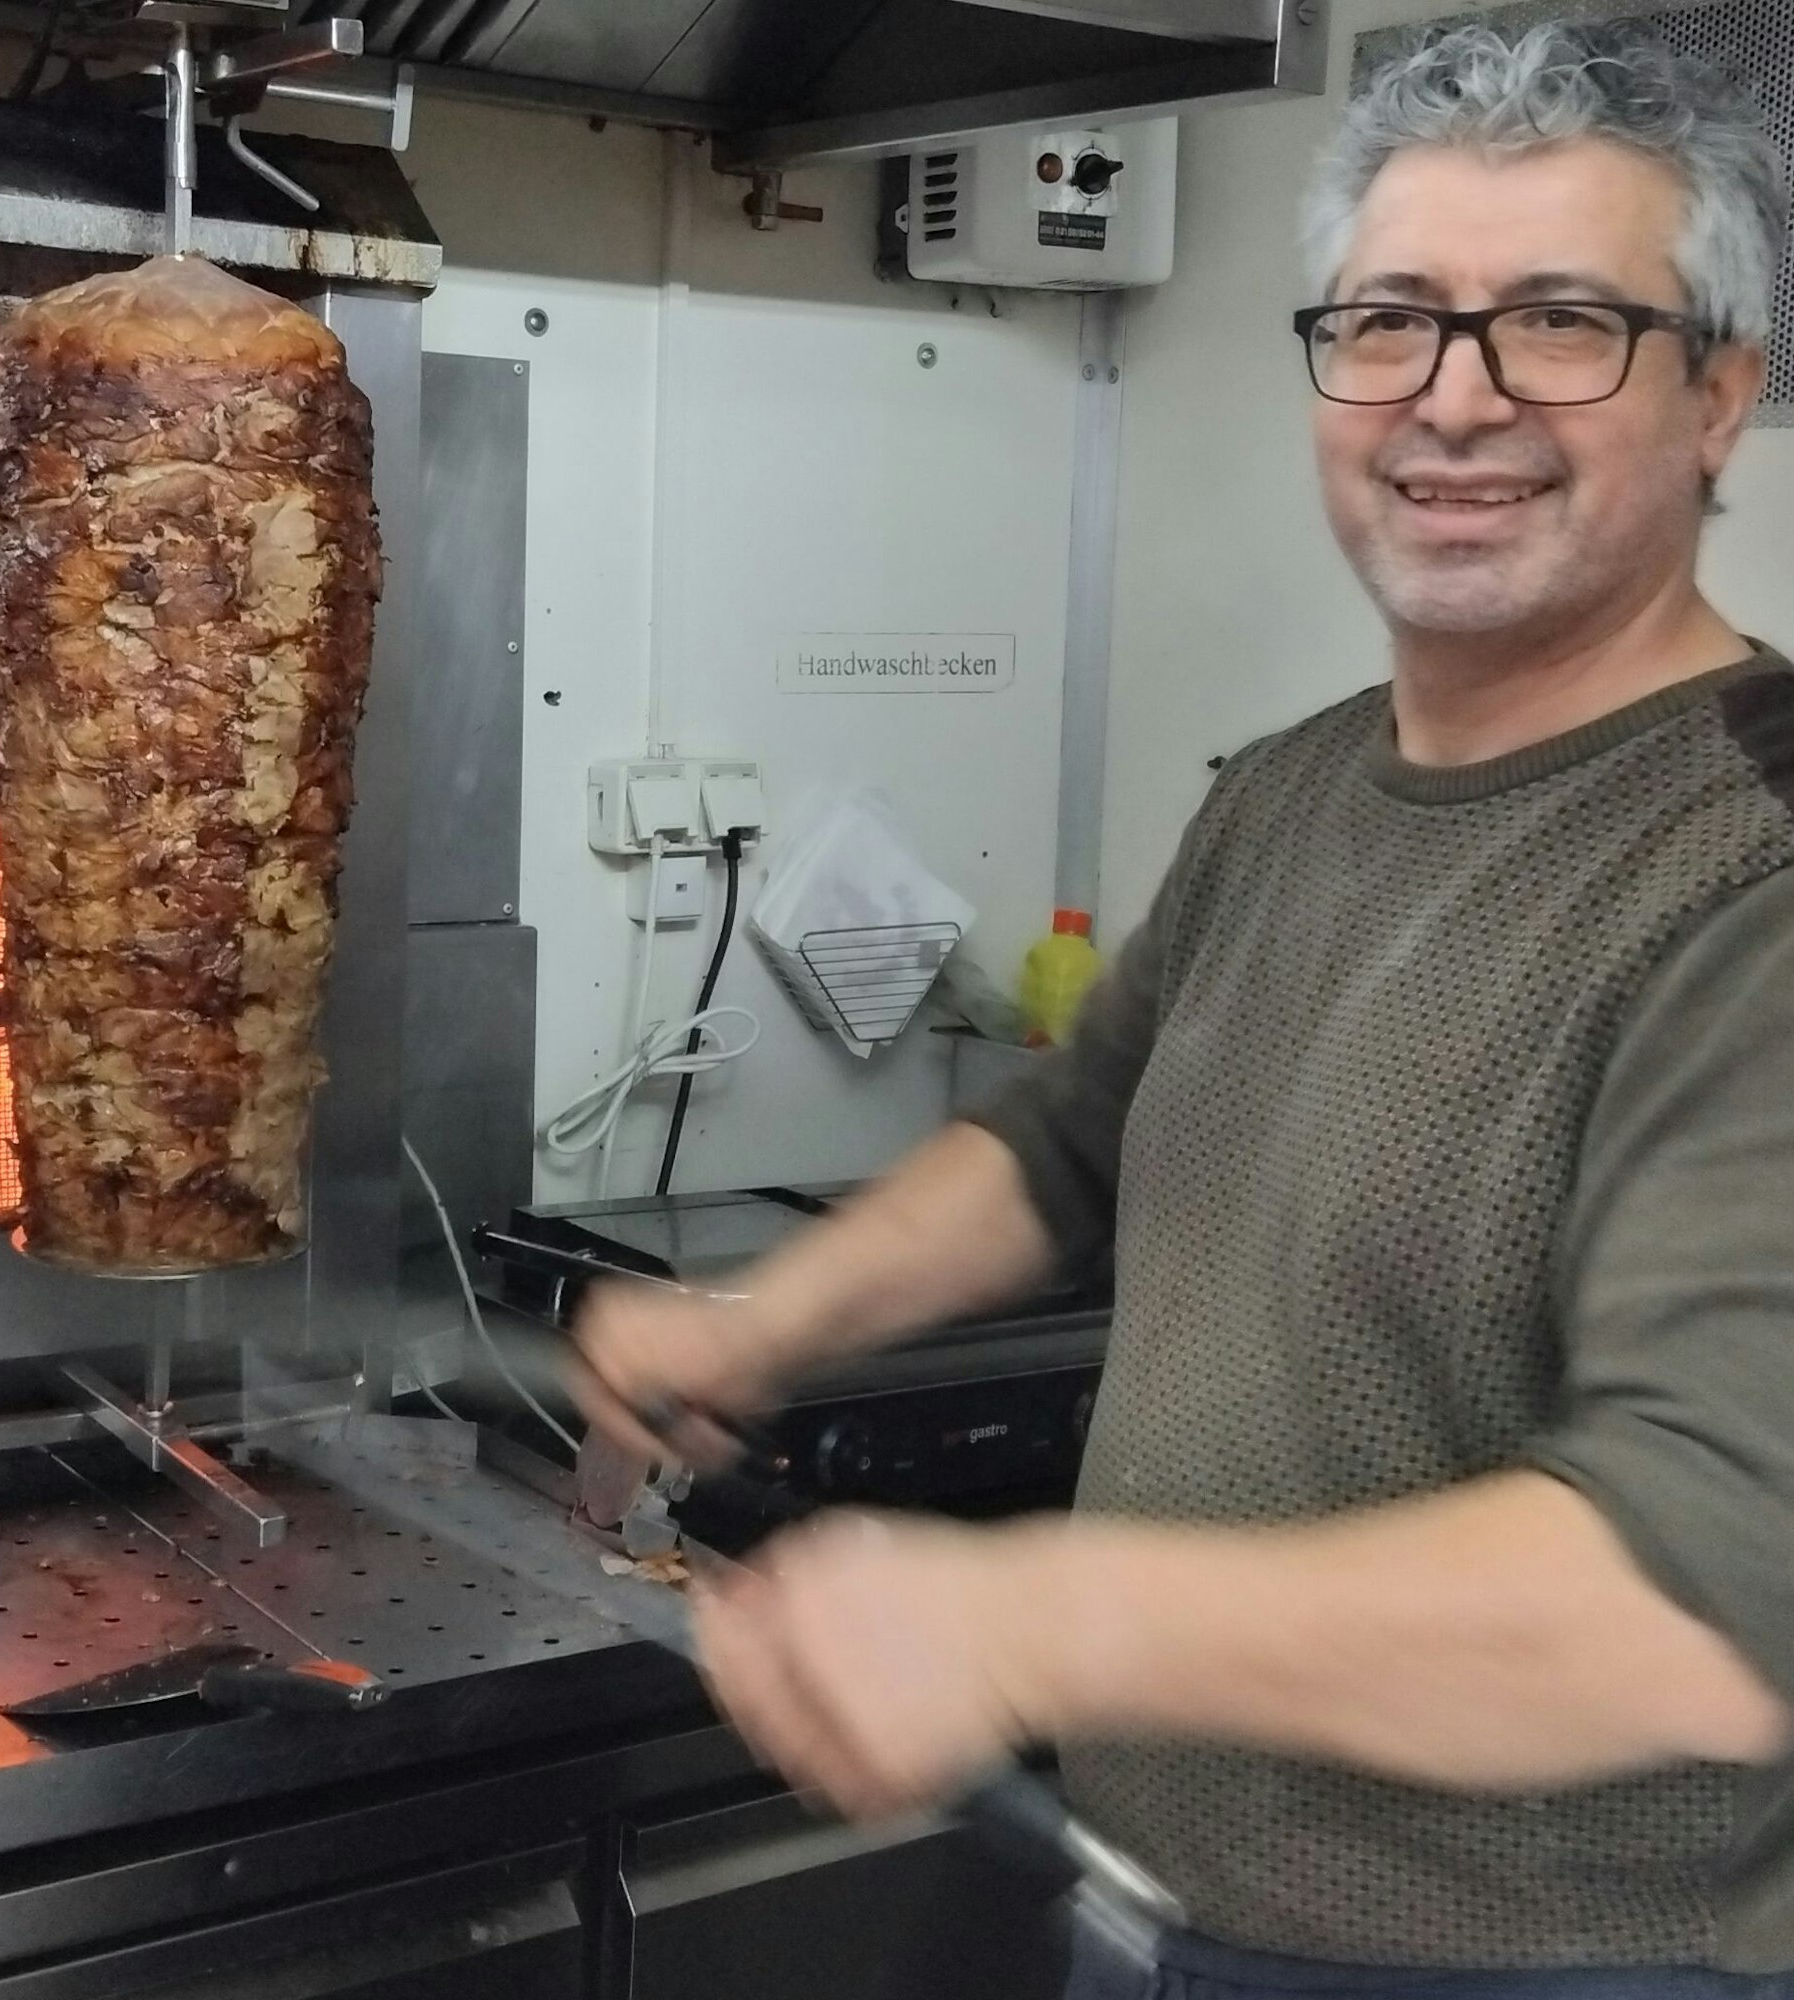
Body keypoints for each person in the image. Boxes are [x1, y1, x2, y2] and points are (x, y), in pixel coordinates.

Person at [573, 21, 1794, 1997]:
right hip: (1167, 1908)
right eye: (1390, 320)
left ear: (1717, 392)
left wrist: (1023, 1620)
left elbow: (1704, 1599)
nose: (1452, 401)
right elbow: (1068, 1149)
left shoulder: (1748, 866)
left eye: (1559, 322)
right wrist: (762, 1322)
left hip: (1564, 1967)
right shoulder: (1294, 790)